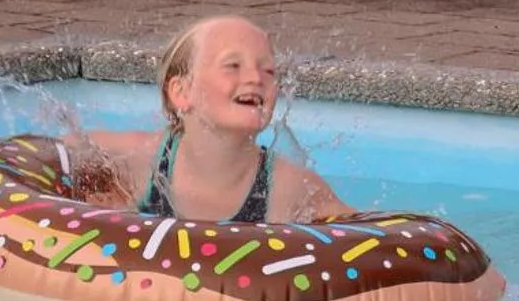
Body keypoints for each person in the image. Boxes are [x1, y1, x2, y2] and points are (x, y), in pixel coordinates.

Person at [72, 15, 354, 224]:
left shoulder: (291, 187)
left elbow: (370, 232)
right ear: (181, 92)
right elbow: (49, 154)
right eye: (233, 66)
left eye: (268, 71)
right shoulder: (137, 160)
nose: (256, 78)